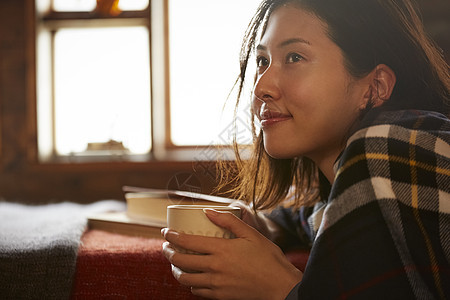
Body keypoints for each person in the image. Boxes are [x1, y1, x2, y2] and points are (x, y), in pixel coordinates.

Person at [162, 0, 450, 299]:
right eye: (262, 61)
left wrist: (280, 287)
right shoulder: (359, 179)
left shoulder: (389, 147)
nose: (262, 86)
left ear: (375, 86)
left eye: (294, 57)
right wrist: (263, 225)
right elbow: (313, 214)